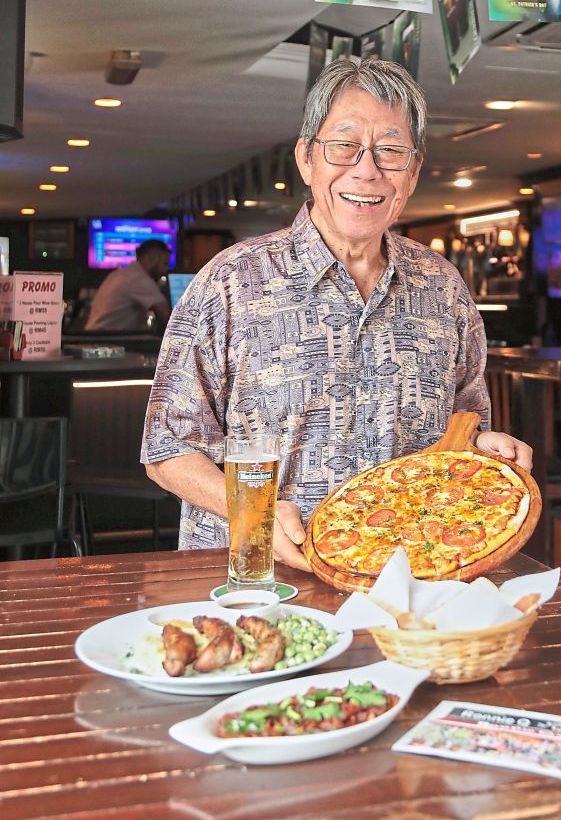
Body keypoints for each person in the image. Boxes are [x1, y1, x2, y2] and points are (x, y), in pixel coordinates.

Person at [142, 58, 532, 570]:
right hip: (259, 581)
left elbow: (464, 424)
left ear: (412, 173)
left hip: (407, 580)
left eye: (391, 150)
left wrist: (486, 445)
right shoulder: (231, 281)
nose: (366, 169)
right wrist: (250, 513)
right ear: (307, 159)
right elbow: (166, 449)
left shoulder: (444, 289)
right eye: (344, 145)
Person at [85, 239, 171, 332]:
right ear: (152, 258)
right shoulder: (139, 278)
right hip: (106, 341)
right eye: (165, 264)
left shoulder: (121, 273)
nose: (165, 271)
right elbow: (167, 316)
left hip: (96, 338)